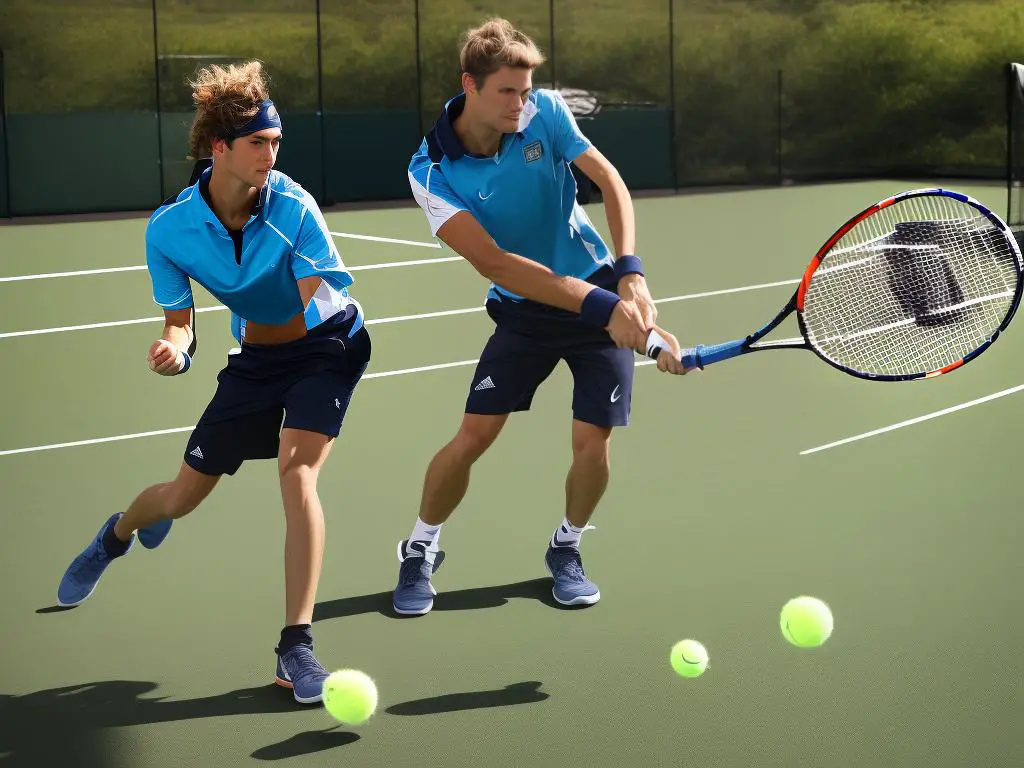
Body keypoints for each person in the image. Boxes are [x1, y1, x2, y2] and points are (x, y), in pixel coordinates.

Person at [55, 61, 371, 706]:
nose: (271, 153)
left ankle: (296, 645)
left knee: (297, 474)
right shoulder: (169, 229)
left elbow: (301, 304)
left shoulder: (294, 206)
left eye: (276, 141)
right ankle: (115, 536)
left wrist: (259, 286)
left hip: (328, 347)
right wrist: (174, 349)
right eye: (258, 142)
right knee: (178, 498)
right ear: (219, 147)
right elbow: (181, 322)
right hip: (255, 361)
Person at [393, 18, 685, 616]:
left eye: (526, 91)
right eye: (507, 91)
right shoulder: (431, 172)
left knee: (592, 442)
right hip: (527, 307)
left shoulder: (544, 112)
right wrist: (607, 309)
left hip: (598, 285)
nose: (520, 104)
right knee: (475, 436)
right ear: (468, 85)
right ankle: (421, 547)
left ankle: (567, 546)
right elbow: (496, 263)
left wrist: (630, 275)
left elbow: (609, 181)